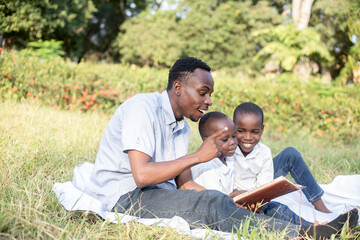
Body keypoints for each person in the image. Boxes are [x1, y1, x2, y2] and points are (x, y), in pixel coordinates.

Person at [84, 57, 357, 238]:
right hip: (127, 197)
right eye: (203, 92)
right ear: (178, 87)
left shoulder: (180, 125)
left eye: (210, 94)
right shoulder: (141, 108)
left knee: (244, 203)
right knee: (210, 204)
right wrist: (197, 157)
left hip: (159, 194)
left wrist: (233, 200)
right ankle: (300, 236)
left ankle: (313, 228)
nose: (209, 101)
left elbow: (184, 184)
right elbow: (142, 176)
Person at [232, 102, 332, 225]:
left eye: (254, 132)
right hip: (233, 198)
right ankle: (311, 228)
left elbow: (263, 187)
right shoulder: (227, 149)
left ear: (262, 130)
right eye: (241, 131)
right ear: (233, 128)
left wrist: (255, 200)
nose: (247, 137)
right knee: (278, 209)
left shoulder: (264, 151)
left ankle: (321, 209)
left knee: (291, 154)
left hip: (256, 193)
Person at [191, 111, 238, 196]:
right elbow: (216, 201)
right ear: (207, 141)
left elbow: (233, 190)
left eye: (234, 136)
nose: (232, 142)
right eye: (225, 139)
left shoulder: (229, 159)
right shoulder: (206, 167)